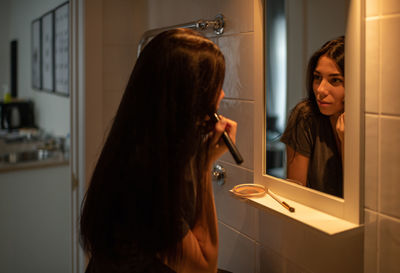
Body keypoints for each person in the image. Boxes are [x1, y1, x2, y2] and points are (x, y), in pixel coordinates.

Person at [80, 28, 237, 273]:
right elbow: (204, 267)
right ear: (190, 96)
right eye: (215, 86)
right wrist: (204, 165)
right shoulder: (146, 178)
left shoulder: (136, 144)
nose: (222, 94)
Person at [281, 36, 344, 198]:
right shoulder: (305, 117)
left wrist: (346, 141)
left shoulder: (373, 123)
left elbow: (360, 199)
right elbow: (295, 193)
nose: (321, 90)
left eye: (335, 80)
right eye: (317, 78)